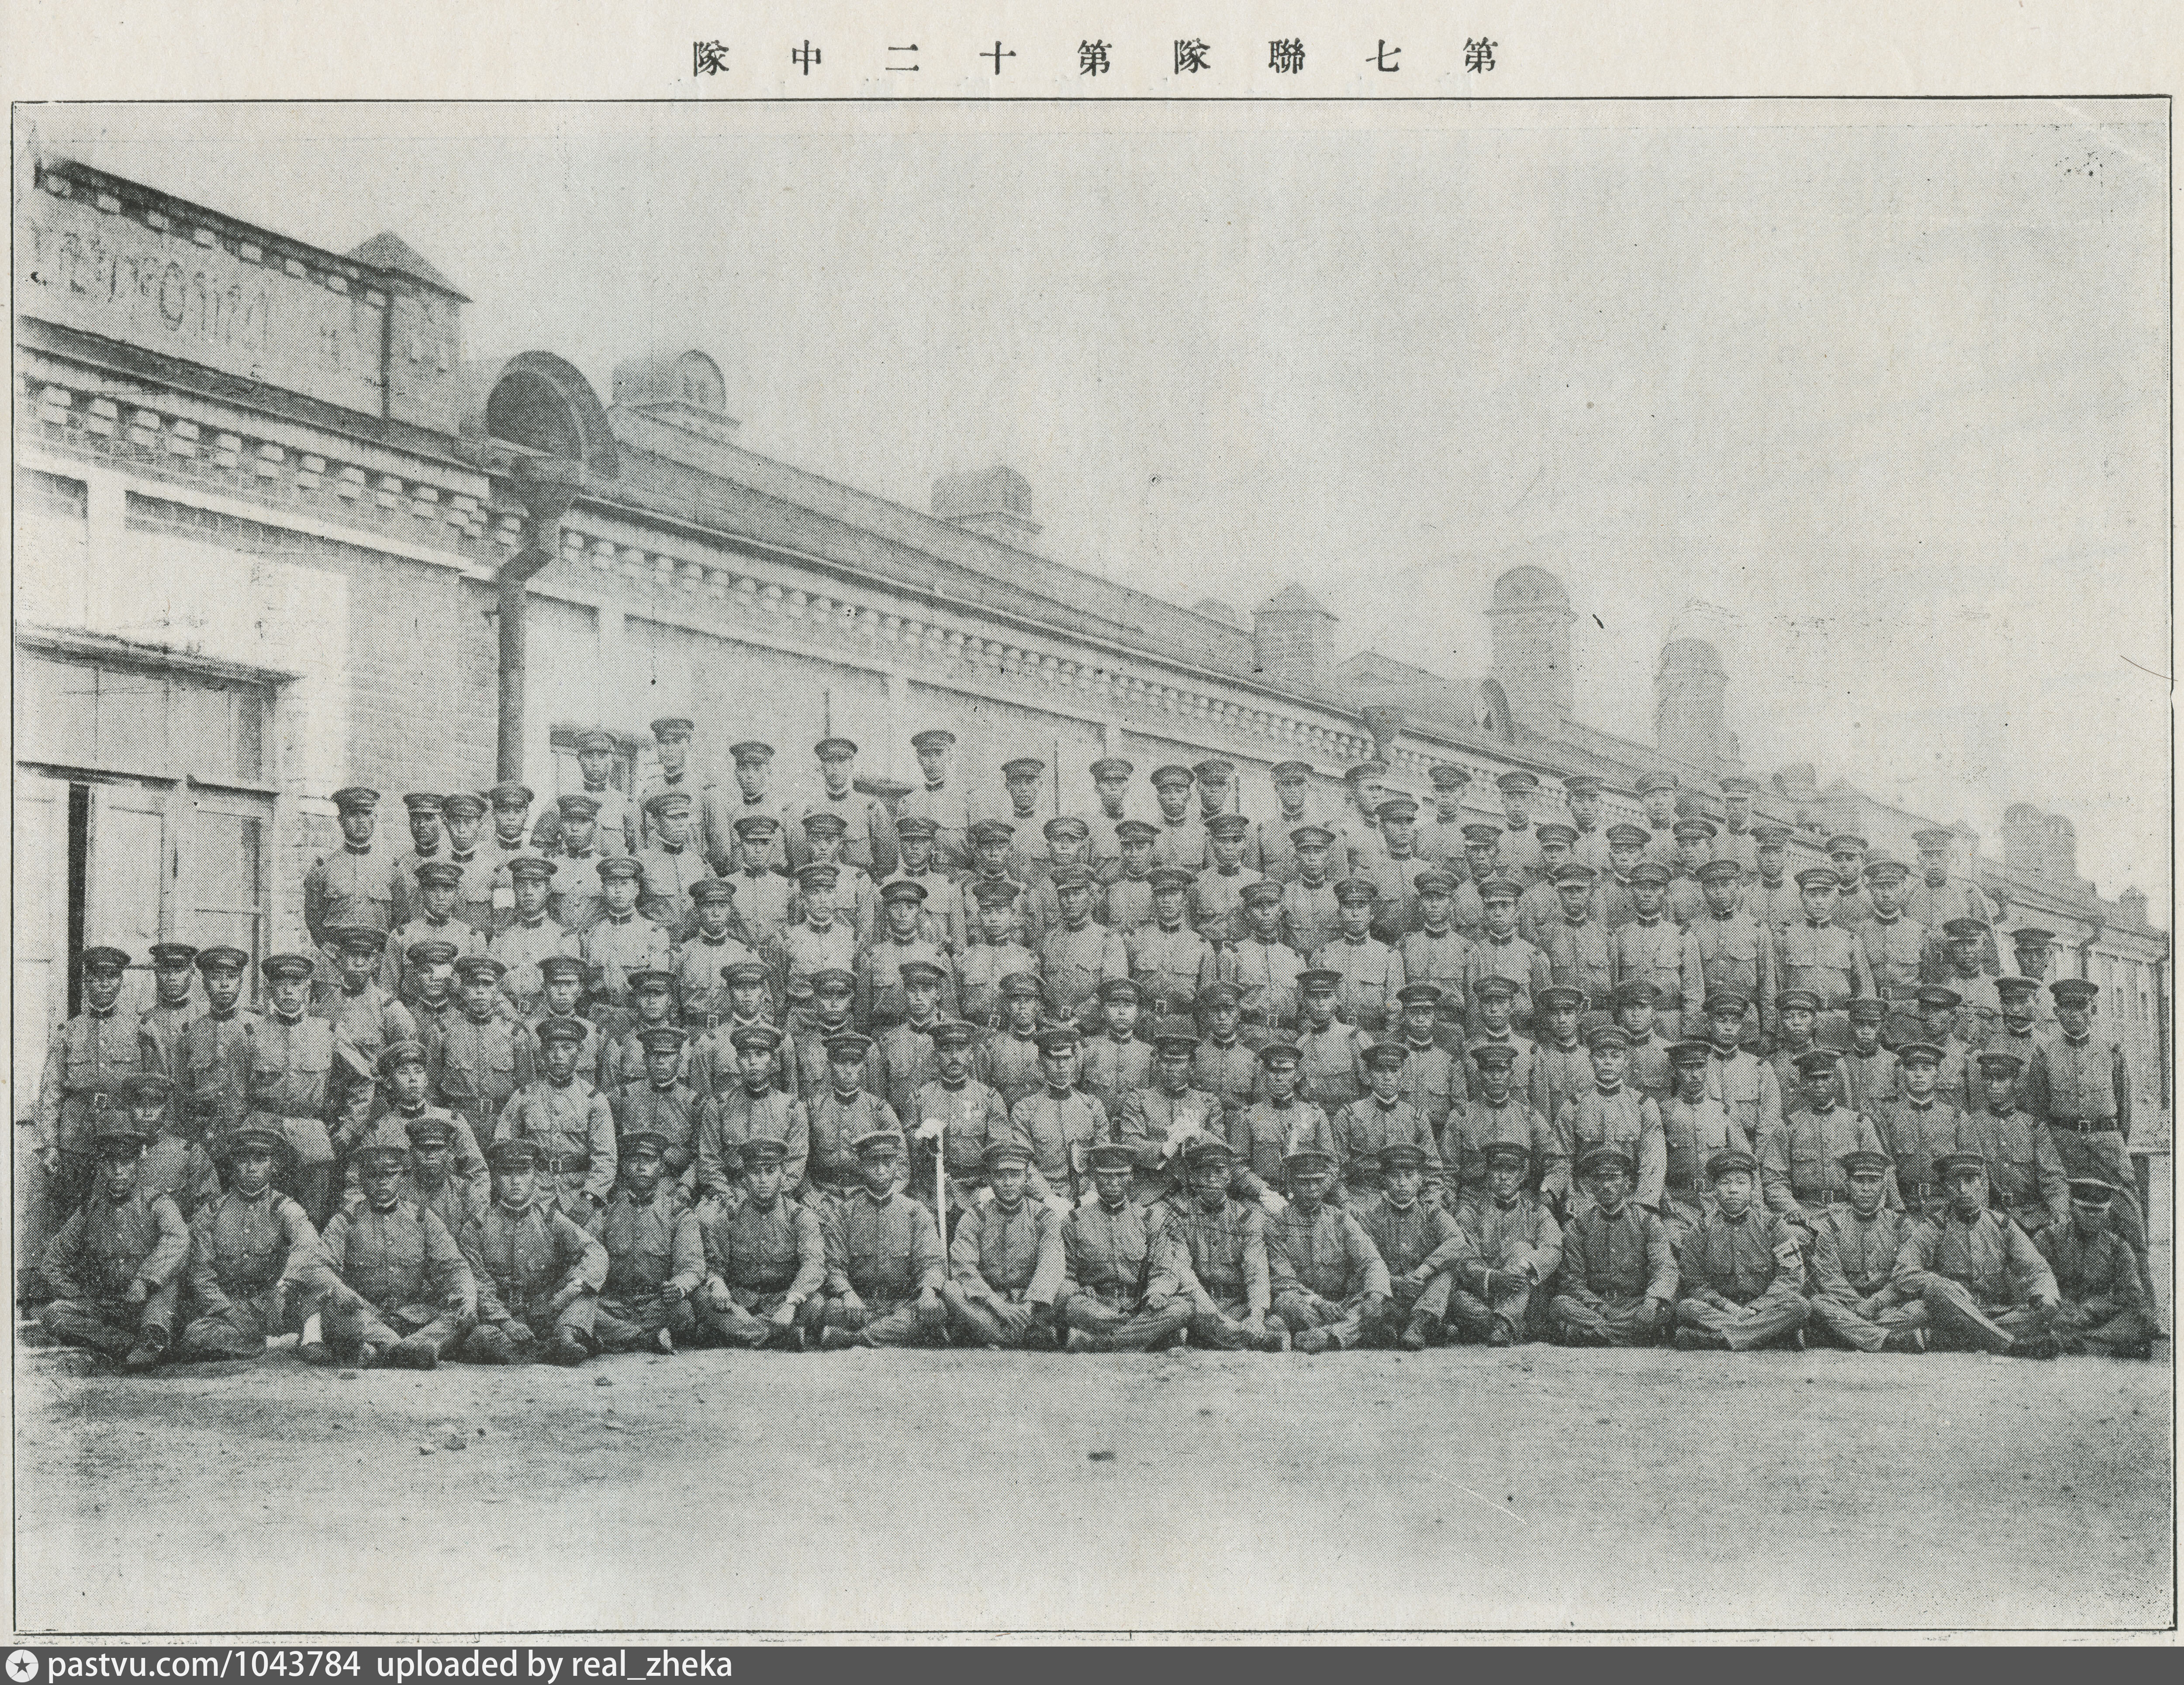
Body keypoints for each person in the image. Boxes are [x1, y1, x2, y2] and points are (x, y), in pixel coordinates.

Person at [2025, 978, 2154, 1305]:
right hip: (2064, 1141)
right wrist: (2056, 1142)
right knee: (2069, 1219)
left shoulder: (2111, 1050)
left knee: (2128, 1217)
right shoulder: (2044, 1053)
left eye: (2080, 1007)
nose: (2074, 1015)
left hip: (2107, 1143)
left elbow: (2124, 1108)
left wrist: (2111, 1141)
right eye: (2066, 1008)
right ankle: (2068, 1305)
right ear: (2056, 1012)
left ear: (2092, 1010)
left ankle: (2143, 1306)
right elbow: (2037, 1108)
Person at [37, 1118, 191, 1370]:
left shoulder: (156, 1202)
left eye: (126, 1163)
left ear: (138, 1164)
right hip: (106, 1304)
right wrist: (76, 1294)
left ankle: (149, 1341)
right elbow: (53, 1260)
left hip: (148, 1300)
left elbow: (178, 1238)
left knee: (159, 1318)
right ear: (104, 1167)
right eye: (112, 1164)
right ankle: (125, 1345)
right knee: (56, 1314)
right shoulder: (91, 1208)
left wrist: (145, 1280)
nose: (119, 1171)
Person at [173, 1123, 335, 1362]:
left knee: (318, 1276)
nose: (251, 1168)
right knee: (196, 1337)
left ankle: (310, 1335)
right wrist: (224, 1308)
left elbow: (308, 1245)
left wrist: (285, 1283)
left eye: (260, 1160)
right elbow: (200, 1271)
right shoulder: (212, 1212)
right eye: (243, 1160)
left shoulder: (284, 1208)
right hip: (232, 1305)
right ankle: (275, 1343)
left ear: (274, 1165)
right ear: (233, 1164)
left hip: (276, 1301)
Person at [307, 1141, 475, 1370]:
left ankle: (385, 1351)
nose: (382, 1182)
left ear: (402, 1177)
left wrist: (466, 1295)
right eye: (373, 1175)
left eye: (390, 1174)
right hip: (363, 1318)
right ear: (363, 1181)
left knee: (464, 1312)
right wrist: (345, 1295)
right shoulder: (345, 1221)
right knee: (335, 1309)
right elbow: (319, 1268)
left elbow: (454, 1267)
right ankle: (410, 1351)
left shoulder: (423, 1218)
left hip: (414, 1318)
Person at [1891, 1152, 2061, 1358]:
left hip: (1997, 1311)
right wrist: (1942, 1283)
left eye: (1971, 1181)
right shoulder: (1935, 1226)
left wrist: (2045, 1295)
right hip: (1950, 1309)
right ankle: (2011, 1346)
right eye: (1955, 1183)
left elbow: (2037, 1269)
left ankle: (1951, 1339)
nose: (1964, 1190)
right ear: (1945, 1189)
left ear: (1982, 1184)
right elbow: (1904, 1271)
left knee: (2046, 1312)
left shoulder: (2003, 1225)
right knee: (1932, 1298)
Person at [454, 1138, 608, 1366]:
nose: (516, 1181)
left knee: (585, 1295)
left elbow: (595, 1252)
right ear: (496, 1178)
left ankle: (564, 1339)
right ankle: (552, 1349)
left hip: (547, 1308)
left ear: (535, 1176)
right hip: (499, 1314)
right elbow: (479, 1285)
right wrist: (506, 1323)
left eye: (524, 1172)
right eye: (507, 1173)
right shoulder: (477, 1226)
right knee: (481, 1339)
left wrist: (570, 1290)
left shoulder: (550, 1219)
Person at [35, 945, 160, 1218]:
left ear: (121, 981)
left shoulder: (139, 1029)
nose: (104, 983)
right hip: (75, 1140)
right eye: (96, 976)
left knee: (118, 1215)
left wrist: (149, 1140)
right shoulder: (69, 1031)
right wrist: (50, 1145)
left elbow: (156, 1091)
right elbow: (51, 1093)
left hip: (122, 1138)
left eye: (111, 976)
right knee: (75, 1214)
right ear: (87, 980)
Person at [691, 1137, 827, 1351]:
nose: (763, 1179)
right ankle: (778, 1336)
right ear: (745, 1179)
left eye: (770, 1170)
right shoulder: (729, 1218)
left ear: (782, 1175)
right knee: (702, 1298)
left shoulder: (800, 1217)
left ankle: (739, 1334)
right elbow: (713, 1265)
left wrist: (791, 1302)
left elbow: (814, 1266)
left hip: (783, 1300)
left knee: (816, 1305)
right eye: (755, 1172)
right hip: (739, 1302)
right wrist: (717, 1283)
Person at [1055, 1142, 1193, 1352]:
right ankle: (1143, 1338)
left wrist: (1158, 1292)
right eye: (1106, 1177)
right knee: (1073, 1307)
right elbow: (1069, 1276)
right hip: (1098, 1307)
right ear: (1094, 1177)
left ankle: (1100, 1344)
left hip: (1142, 1306)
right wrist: (1081, 1296)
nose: (1114, 1183)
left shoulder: (1150, 1218)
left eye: (1121, 1176)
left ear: (1131, 1178)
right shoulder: (1074, 1221)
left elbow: (1163, 1268)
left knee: (1184, 1306)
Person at [818, 1129, 949, 1349]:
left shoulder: (915, 1212)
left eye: (887, 1163)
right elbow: (834, 1266)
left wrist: (927, 1292)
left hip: (903, 1304)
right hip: (859, 1304)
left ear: (897, 1167)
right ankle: (889, 1335)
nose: (880, 1170)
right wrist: (848, 1294)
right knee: (831, 1309)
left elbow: (931, 1264)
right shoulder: (845, 1213)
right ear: (861, 1168)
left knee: (933, 1310)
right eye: (873, 1164)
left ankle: (854, 1340)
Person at [1671, 1149, 1810, 1351]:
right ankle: (1766, 1336)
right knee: (1687, 1307)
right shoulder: (1701, 1231)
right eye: (1726, 1183)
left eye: (1741, 1183)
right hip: (1722, 1311)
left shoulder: (1773, 1226)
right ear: (1715, 1190)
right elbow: (1695, 1283)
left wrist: (1756, 1308)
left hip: (1764, 1309)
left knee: (1799, 1306)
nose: (1733, 1190)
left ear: (1753, 1189)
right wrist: (1730, 1308)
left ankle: (1719, 1340)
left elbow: (1791, 1277)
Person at [1759, 1048, 1894, 1246]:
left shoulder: (1858, 1124)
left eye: (1826, 1078)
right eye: (1813, 1079)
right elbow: (1774, 1180)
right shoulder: (1789, 1126)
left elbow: (1880, 1175)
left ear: (1836, 1081)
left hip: (1850, 1213)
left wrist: (1866, 1214)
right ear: (1804, 1083)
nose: (1820, 1085)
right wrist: (1793, 1210)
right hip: (1805, 1214)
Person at [942, 1142, 1068, 1349]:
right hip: (989, 1305)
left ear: (1027, 1177)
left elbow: (1051, 1264)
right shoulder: (976, 1216)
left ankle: (995, 1337)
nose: (1008, 1183)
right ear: (991, 1180)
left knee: (1064, 1290)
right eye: (1001, 1176)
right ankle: (1027, 1338)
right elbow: (963, 1265)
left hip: (1032, 1305)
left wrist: (1029, 1304)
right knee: (952, 1290)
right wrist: (997, 1303)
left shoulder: (1043, 1216)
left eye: (1015, 1175)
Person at [1548, 1146, 1677, 1347]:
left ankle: (1589, 1335)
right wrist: (1599, 1307)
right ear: (1591, 1184)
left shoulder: (1647, 1221)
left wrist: (1652, 1301)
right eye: (1599, 1179)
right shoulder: (1578, 1226)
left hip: (1636, 1304)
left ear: (1627, 1183)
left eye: (1613, 1178)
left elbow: (1665, 1267)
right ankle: (1629, 1336)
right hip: (1594, 1306)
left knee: (1663, 1309)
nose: (1606, 1186)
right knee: (1560, 1304)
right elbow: (1572, 1280)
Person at [1265, 1148, 1391, 1353]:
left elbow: (1372, 1262)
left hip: (1342, 1302)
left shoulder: (1341, 1219)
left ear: (1326, 1182)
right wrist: (1318, 1302)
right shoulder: (1277, 1224)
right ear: (1291, 1184)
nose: (1312, 1189)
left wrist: (1375, 1295)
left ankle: (1326, 1336)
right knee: (1286, 1303)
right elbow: (1284, 1281)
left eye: (1318, 1181)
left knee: (1375, 1302)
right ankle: (1346, 1333)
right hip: (1305, 1302)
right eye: (1304, 1182)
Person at [1165, 1138, 1286, 1351]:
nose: (1212, 1180)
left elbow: (1255, 1268)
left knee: (1271, 1322)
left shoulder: (1246, 1217)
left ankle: (1225, 1337)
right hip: (1199, 1304)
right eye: (1204, 1174)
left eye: (1219, 1172)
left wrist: (1256, 1314)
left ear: (1229, 1176)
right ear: (1193, 1178)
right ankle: (1244, 1339)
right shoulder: (1180, 1216)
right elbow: (1182, 1268)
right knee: (1181, 1316)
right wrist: (1212, 1312)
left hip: (1235, 1303)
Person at [590, 1131, 705, 1354]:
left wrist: (680, 1286)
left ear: (662, 1167)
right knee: (584, 1311)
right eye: (634, 1161)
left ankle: (621, 1337)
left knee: (686, 1314)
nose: (641, 1168)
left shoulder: (678, 1213)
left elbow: (692, 1267)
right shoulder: (606, 1213)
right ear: (624, 1168)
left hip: (658, 1302)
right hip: (615, 1303)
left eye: (649, 1161)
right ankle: (648, 1339)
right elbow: (586, 1255)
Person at [1804, 1149, 1930, 1353]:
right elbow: (1830, 1278)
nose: (1866, 1189)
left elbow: (1910, 1275)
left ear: (1884, 1185)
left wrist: (1875, 1304)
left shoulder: (1900, 1225)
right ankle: (1890, 1340)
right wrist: (1859, 1306)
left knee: (1921, 1310)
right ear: (1848, 1184)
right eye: (1859, 1181)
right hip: (1846, 1305)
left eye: (1873, 1181)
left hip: (1887, 1306)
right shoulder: (1832, 1225)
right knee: (1820, 1304)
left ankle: (1845, 1335)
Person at [1349, 1142, 1471, 1349]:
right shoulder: (1371, 1216)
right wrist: (1396, 1282)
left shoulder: (1431, 1212)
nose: (1402, 1184)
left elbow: (1457, 1241)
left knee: (1446, 1275)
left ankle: (1420, 1325)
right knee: (1372, 1298)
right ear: (1385, 1180)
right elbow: (1363, 1265)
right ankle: (1397, 1326)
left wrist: (1424, 1271)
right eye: (1395, 1176)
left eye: (1409, 1176)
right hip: (1390, 1289)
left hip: (1425, 1291)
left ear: (1421, 1179)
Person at [495, 1016, 617, 1220]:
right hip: (533, 1194)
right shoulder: (524, 1096)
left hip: (578, 1191)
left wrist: (589, 1197)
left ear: (579, 1051)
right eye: (552, 1049)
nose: (559, 1056)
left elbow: (606, 1158)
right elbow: (504, 1145)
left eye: (567, 1048)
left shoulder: (594, 1099)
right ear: (543, 1053)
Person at [1449, 1141, 1562, 1346]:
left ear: (1523, 1174)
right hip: (1484, 1293)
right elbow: (1463, 1258)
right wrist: (1491, 1278)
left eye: (1511, 1170)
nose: (1504, 1177)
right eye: (1497, 1169)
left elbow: (1553, 1248)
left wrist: (1524, 1267)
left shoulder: (1537, 1212)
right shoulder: (1471, 1212)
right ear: (1488, 1171)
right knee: (1457, 1299)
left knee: (1523, 1249)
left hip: (1523, 1294)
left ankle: (1500, 1324)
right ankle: (1499, 1326)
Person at [2036, 1178, 2156, 1359]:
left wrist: (2095, 1308)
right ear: (2071, 1207)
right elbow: (2033, 1281)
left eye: (2099, 1211)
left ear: (2108, 1212)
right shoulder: (2048, 1239)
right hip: (2060, 1312)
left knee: (2143, 1320)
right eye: (2086, 1210)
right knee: (2034, 1318)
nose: (2092, 1216)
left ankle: (2079, 1342)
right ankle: (2088, 1343)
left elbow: (2132, 1296)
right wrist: (2061, 1306)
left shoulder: (2118, 1247)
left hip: (2100, 1317)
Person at [1956, 1049, 2070, 1239]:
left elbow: (2053, 1177)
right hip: (1991, 1220)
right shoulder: (1972, 1124)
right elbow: (1972, 1181)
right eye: (1988, 1079)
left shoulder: (2034, 1127)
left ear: (2015, 1083)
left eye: (2000, 1079)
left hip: (2032, 1222)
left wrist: (2060, 1213)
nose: (1993, 1086)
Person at [1556, 1024, 1666, 1221]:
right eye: (1601, 1056)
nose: (1608, 1062)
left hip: (1630, 1198)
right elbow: (1561, 1157)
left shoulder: (1643, 1105)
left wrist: (1642, 1202)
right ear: (1591, 1060)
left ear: (1625, 1061)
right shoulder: (1574, 1105)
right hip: (1585, 1199)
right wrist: (1570, 1194)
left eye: (1615, 1056)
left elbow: (1653, 1159)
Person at [694, 1023, 810, 1204]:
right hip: (731, 1192)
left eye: (760, 1055)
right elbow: (709, 1160)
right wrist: (727, 1195)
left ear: (772, 1062)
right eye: (746, 1056)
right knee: (707, 1218)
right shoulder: (718, 1106)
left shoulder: (793, 1109)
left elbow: (795, 1164)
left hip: (776, 1195)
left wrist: (770, 1196)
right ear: (738, 1062)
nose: (753, 1062)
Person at [1447, 1040, 1560, 1209]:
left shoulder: (1528, 1116)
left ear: (1511, 1073)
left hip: (1519, 1204)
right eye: (1489, 1070)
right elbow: (1449, 1171)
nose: (1496, 1077)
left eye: (1502, 1070)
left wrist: (1548, 1190)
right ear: (1480, 1073)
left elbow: (1557, 1161)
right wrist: (1450, 1205)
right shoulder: (1461, 1117)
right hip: (1474, 1204)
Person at [1657, 1039, 1749, 1240]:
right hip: (1679, 1202)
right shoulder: (1664, 1112)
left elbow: (1746, 1161)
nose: (1695, 1075)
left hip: (1720, 1200)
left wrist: (1755, 1202)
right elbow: (1655, 1164)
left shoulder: (1722, 1109)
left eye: (1700, 1067)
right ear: (1675, 1071)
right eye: (1687, 1068)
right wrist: (1665, 1200)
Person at [1330, 1042, 1443, 1204]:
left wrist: (1430, 1198)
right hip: (1362, 1197)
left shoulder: (1417, 1117)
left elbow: (1432, 1170)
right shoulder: (1348, 1115)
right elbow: (1337, 1169)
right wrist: (1346, 1202)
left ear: (1402, 1075)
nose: (1387, 1077)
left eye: (1394, 1070)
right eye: (1380, 1070)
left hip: (1407, 1198)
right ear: (1369, 1074)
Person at [1009, 1026, 1109, 1207]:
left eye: (1066, 1058)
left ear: (1075, 1059)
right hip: (1042, 1202)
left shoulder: (1092, 1106)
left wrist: (1094, 1193)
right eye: (1054, 1059)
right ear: (1042, 1062)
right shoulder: (1024, 1109)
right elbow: (1025, 1164)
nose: (1061, 1065)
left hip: (1089, 1199)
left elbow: (1104, 1156)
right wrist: (1049, 1199)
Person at [803, 1034, 905, 1208]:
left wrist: (884, 1197)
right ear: (831, 1066)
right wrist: (807, 1193)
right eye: (842, 1063)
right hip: (822, 1198)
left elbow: (901, 1159)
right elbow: (798, 1154)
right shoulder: (812, 1108)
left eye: (855, 1063)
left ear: (863, 1067)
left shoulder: (879, 1108)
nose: (849, 1070)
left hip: (866, 1197)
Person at [1776, 867, 1873, 1049]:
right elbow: (1777, 986)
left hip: (1839, 1028)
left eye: (1825, 894)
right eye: (1812, 894)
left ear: (1835, 897)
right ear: (1802, 896)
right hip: (1797, 1031)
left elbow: (1865, 990)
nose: (1819, 901)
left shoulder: (1850, 939)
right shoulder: (1786, 937)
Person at [1870, 1042, 1963, 1220]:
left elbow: (1974, 1173)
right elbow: (1886, 1168)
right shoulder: (1889, 1116)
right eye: (1912, 1069)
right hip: (1906, 1206)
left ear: (1937, 1073)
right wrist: (1899, 1211)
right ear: (1904, 1072)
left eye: (1926, 1069)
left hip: (1946, 1207)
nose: (1919, 1075)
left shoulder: (1955, 1116)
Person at [610, 1026, 706, 1195]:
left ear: (680, 1058)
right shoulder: (622, 1097)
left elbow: (704, 1154)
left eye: (668, 1056)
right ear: (645, 1058)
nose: (661, 1062)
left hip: (675, 1188)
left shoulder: (695, 1103)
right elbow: (608, 1148)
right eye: (655, 1055)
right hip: (628, 1188)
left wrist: (686, 1186)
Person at [303, 786, 393, 961]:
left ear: (375, 819)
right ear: (341, 820)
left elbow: (401, 915)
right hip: (335, 957)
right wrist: (323, 943)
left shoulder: (391, 867)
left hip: (377, 958)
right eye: (353, 815)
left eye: (366, 815)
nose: (361, 822)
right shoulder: (324, 867)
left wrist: (386, 952)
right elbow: (313, 913)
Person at [1853, 855, 1928, 1045]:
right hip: (1869, 1019)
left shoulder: (1918, 931)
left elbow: (1929, 980)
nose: (1887, 894)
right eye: (1880, 887)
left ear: (1903, 888)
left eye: (1892, 887)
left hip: (1909, 1018)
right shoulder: (1859, 931)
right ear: (1870, 889)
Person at [1216, 878, 1298, 1038]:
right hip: (1248, 1037)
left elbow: (1303, 1006)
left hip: (1287, 1038)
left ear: (1280, 910)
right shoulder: (1233, 954)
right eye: (1258, 906)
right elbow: (1222, 1004)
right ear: (1247, 913)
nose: (1266, 912)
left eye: (1272, 905)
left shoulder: (1294, 957)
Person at [897, 728, 972, 872]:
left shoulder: (967, 798)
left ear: (950, 756)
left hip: (955, 880)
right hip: (920, 880)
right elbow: (901, 848)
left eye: (938, 753)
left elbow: (979, 848)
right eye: (926, 754)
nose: (932, 760)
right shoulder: (907, 802)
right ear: (919, 758)